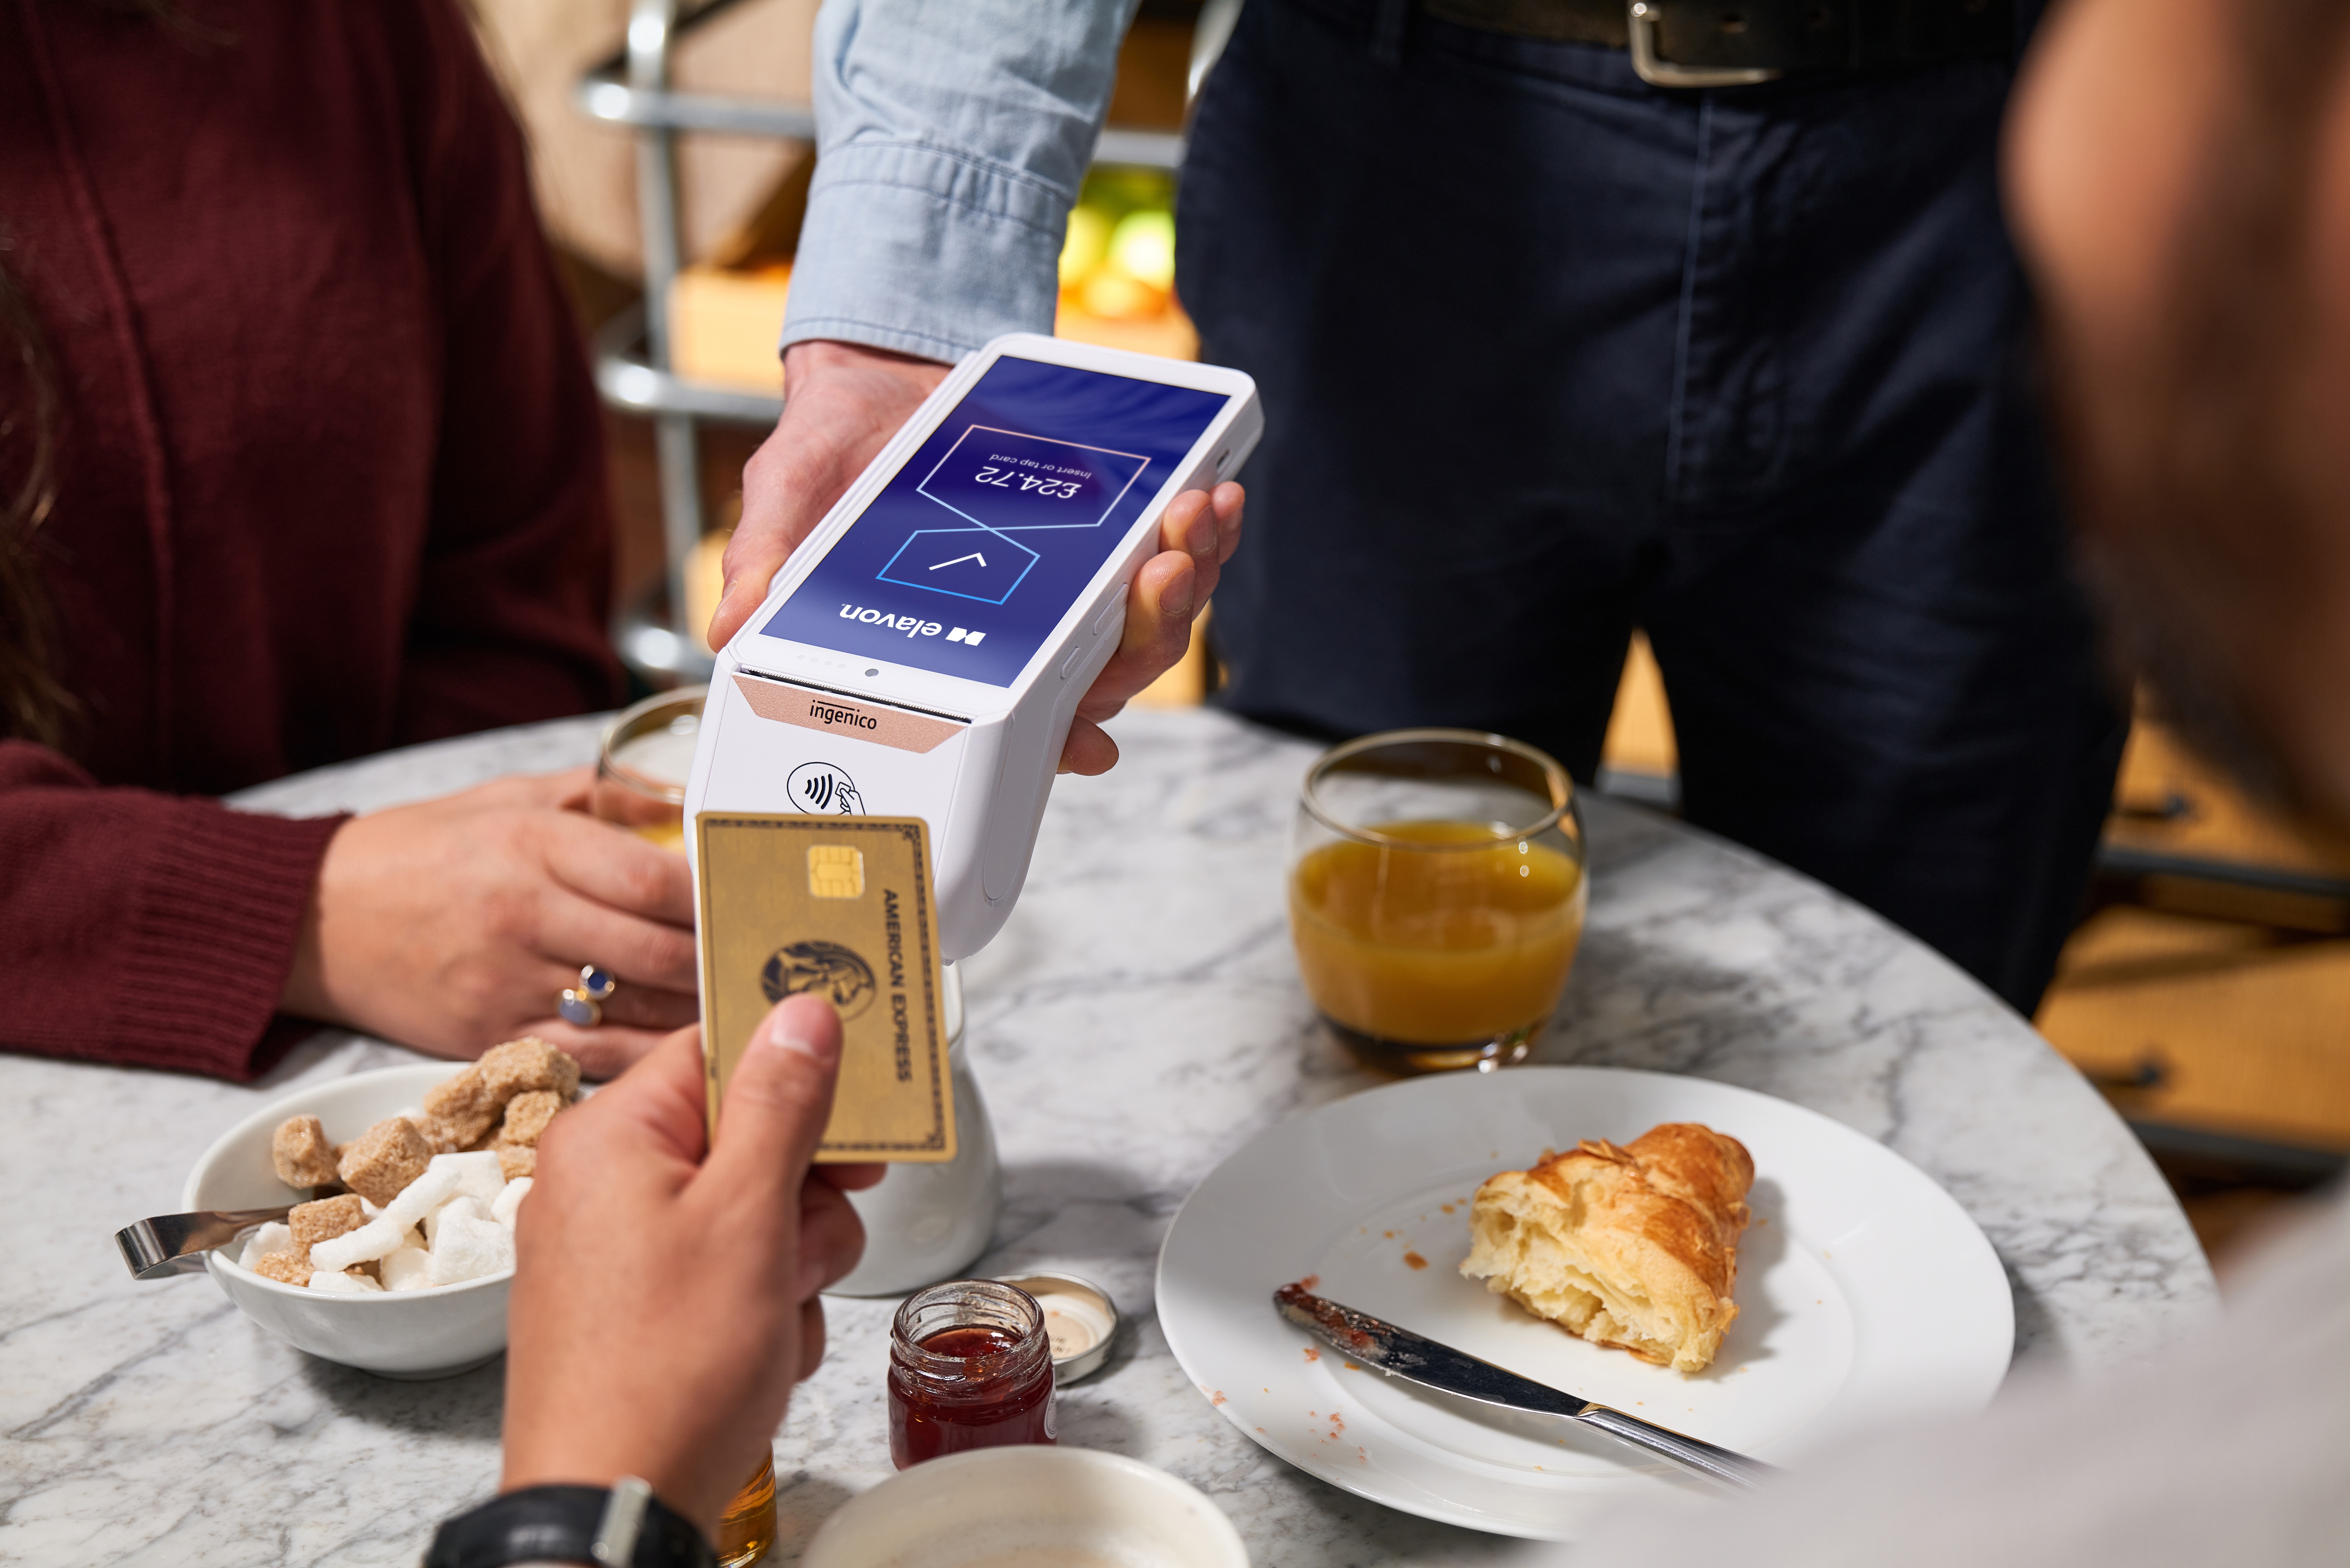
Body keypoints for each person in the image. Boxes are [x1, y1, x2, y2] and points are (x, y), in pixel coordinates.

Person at [455, 0, 2350, 1557]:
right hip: (1403, 131)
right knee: (1344, 1078)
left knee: (1917, 1057)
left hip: (1994, 133)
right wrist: (899, 339)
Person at [713, 0, 2123, 1018]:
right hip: (1394, 153)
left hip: (2009, 161)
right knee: (1364, 969)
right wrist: (903, 324)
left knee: (1923, 997)